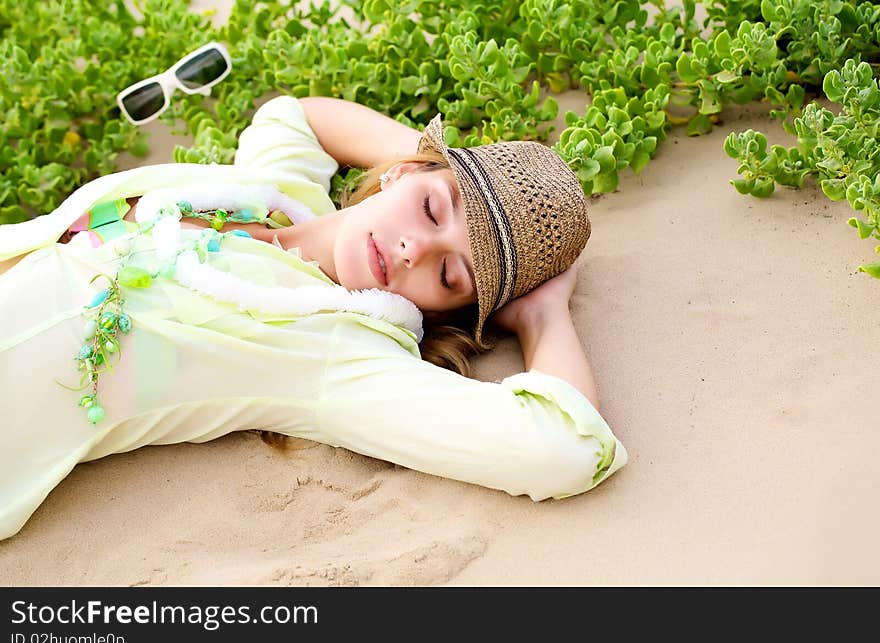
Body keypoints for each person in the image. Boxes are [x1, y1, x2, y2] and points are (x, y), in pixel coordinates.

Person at [0, 95, 627, 541]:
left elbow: (562, 449)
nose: (413, 249)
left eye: (450, 274)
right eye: (433, 210)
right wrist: (422, 159)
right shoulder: (274, 195)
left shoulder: (338, 349)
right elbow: (294, 115)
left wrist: (543, 316)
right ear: (404, 174)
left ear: (450, 309)